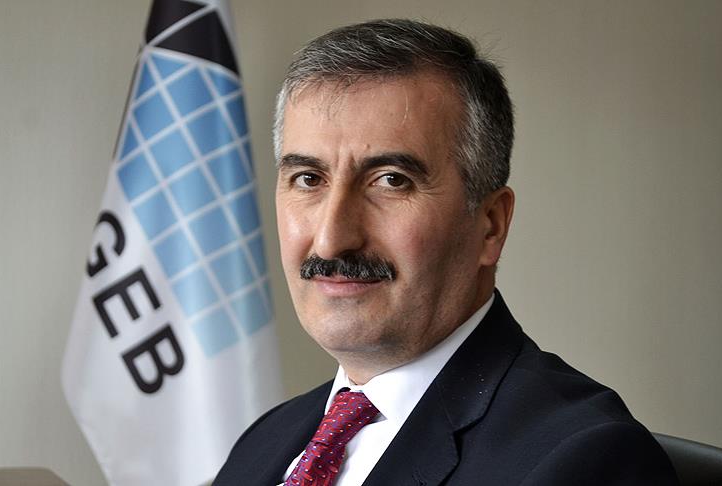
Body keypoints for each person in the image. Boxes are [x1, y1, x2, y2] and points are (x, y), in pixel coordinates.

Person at [214, 19, 679, 486]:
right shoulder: (266, 441)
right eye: (308, 179)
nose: (331, 239)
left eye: (391, 180)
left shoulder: (586, 460)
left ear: (490, 225)